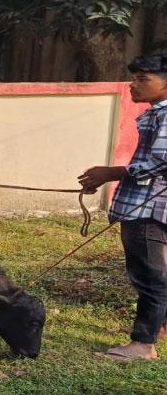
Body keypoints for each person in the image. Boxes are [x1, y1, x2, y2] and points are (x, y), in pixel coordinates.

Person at [79, 54, 167, 361]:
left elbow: (162, 161)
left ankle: (143, 345)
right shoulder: (156, 112)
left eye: (143, 79)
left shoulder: (165, 113)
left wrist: (111, 172)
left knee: (149, 275)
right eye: (133, 78)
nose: (133, 85)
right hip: (152, 204)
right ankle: (160, 327)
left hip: (148, 207)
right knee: (156, 272)